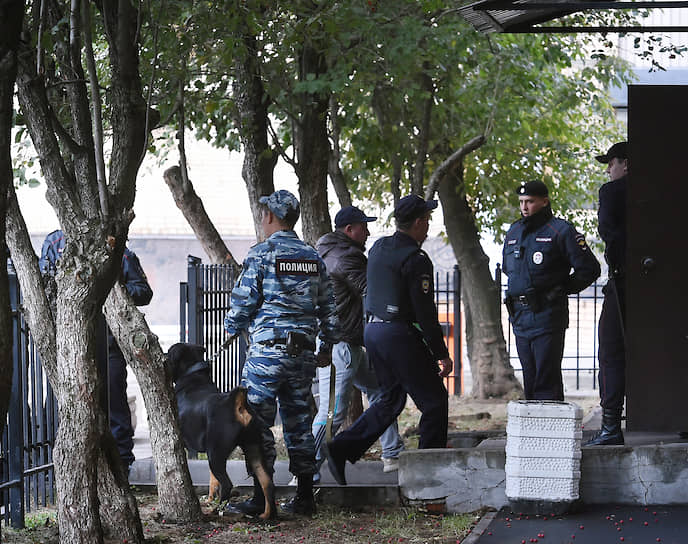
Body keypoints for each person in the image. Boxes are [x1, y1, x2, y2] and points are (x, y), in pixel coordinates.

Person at [223, 189, 339, 517]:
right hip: (302, 357)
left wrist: (231, 328)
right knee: (300, 423)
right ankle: (305, 497)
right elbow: (329, 309)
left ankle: (262, 499)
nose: (263, 218)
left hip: (266, 357)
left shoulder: (262, 254)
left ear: (271, 216)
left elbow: (243, 303)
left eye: (264, 214)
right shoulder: (313, 257)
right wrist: (326, 347)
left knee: (257, 423)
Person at [325, 194, 454, 486]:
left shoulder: (380, 247)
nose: (428, 228)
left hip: (373, 333)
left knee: (390, 400)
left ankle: (342, 448)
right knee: (434, 402)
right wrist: (440, 353)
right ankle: (427, 475)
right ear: (419, 222)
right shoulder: (417, 259)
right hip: (398, 335)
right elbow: (425, 311)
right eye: (427, 222)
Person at [39, 229, 153, 471]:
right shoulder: (55, 242)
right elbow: (45, 284)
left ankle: (122, 462)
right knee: (59, 402)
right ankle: (51, 463)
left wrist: (109, 291)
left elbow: (144, 291)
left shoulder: (116, 249)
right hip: (69, 343)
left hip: (110, 341)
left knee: (114, 402)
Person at [310, 205, 404, 481]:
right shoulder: (346, 258)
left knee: (381, 393)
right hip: (340, 347)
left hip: (349, 345)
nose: (368, 232)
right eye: (364, 226)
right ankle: (306, 469)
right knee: (332, 411)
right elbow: (371, 292)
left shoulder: (326, 252)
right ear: (349, 230)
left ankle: (393, 453)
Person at [502, 181, 600, 401]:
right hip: (520, 316)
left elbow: (589, 269)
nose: (524, 207)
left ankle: (551, 430)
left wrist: (561, 289)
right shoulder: (514, 231)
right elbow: (510, 270)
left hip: (547, 315)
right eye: (521, 202)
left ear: (544, 202)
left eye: (530, 202)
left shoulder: (560, 230)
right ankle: (534, 431)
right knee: (530, 379)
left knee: (546, 379)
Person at [586, 142, 628, 446]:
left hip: (624, 282)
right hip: (664, 285)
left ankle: (611, 426)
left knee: (611, 351)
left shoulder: (612, 192)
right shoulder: (667, 192)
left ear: (625, 164)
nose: (608, 169)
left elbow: (608, 232)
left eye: (610, 163)